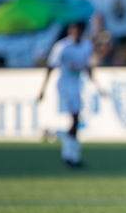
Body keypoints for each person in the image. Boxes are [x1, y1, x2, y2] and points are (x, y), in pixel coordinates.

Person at [38, 22, 103, 167]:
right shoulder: (62, 47)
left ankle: (71, 154)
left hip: (77, 84)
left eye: (79, 32)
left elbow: (87, 68)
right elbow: (51, 67)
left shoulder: (87, 46)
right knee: (75, 117)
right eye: (74, 33)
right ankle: (70, 154)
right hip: (64, 84)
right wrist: (42, 89)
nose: (77, 35)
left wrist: (98, 86)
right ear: (70, 33)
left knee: (76, 119)